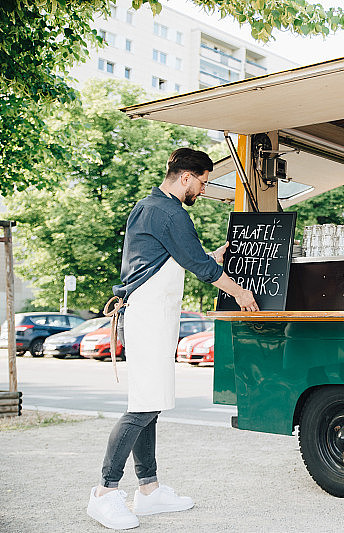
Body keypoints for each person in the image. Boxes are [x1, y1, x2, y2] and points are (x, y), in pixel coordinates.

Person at [86, 148, 259, 530]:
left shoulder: (150, 207)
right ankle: (104, 492)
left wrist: (209, 255)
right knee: (143, 407)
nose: (203, 188)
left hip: (151, 315)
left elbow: (173, 259)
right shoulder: (169, 211)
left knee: (152, 403)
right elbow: (199, 267)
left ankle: (148, 490)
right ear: (186, 177)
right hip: (148, 316)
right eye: (203, 181)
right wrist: (241, 293)